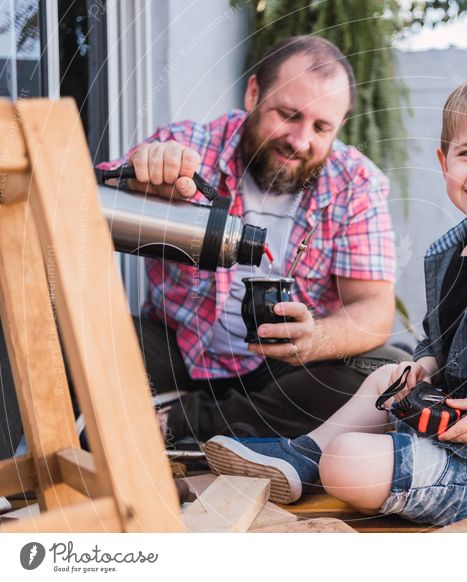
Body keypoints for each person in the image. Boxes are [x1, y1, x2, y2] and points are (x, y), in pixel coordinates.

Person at [202, 66, 467, 525]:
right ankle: (303, 455)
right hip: (450, 431)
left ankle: (328, 459)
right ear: (444, 162)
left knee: (347, 461)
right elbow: (441, 340)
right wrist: (426, 364)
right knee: (388, 374)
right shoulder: (447, 255)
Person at [97, 36, 407, 441]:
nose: (300, 140)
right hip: (176, 347)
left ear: (339, 127)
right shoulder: (191, 148)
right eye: (288, 114)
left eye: (320, 127)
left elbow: (374, 308)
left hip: (283, 369)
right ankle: (237, 430)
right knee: (63, 340)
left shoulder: (354, 183)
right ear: (254, 93)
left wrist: (316, 339)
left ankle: (184, 422)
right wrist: (146, 174)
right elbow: (89, 203)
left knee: (388, 373)